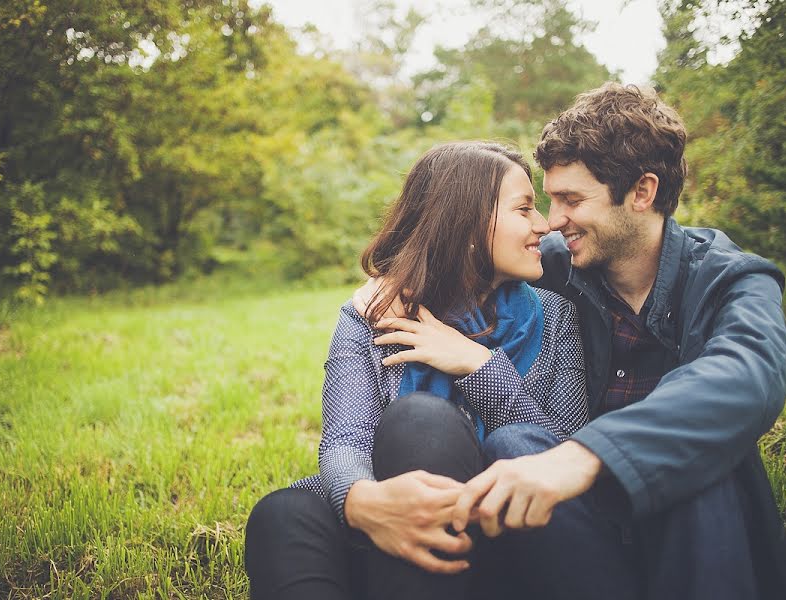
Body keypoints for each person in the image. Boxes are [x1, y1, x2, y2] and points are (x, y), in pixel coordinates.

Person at [354, 83, 786, 600]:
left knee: (702, 465)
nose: (552, 221)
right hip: (581, 533)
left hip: (691, 530)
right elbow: (467, 252)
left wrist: (586, 457)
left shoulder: (730, 280)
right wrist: (396, 285)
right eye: (548, 198)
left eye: (571, 200)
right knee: (514, 445)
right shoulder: (557, 265)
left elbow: (747, 375)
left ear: (642, 192)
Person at [244, 141, 590, 599]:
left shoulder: (556, 318)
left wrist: (478, 364)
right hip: (382, 520)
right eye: (524, 209)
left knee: (420, 421)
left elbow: (565, 451)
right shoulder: (375, 312)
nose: (542, 225)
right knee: (281, 514)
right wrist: (360, 501)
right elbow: (345, 441)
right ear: (466, 225)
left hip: (492, 532)